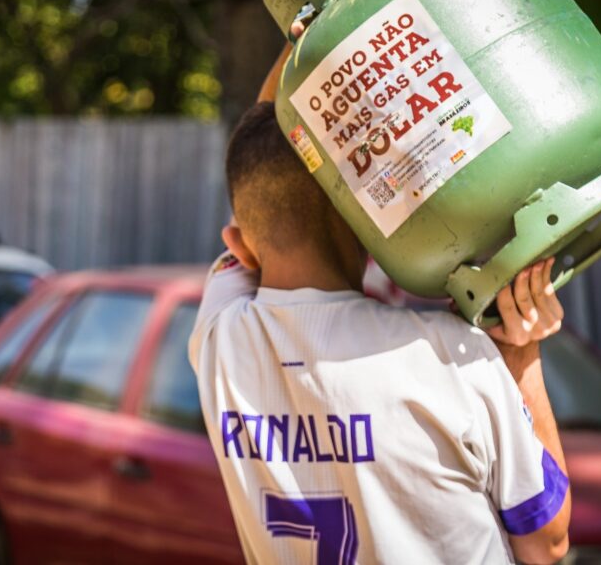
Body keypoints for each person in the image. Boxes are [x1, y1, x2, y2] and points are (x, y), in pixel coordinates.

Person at [188, 42, 571, 564]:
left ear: (238, 245)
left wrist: (311, 29)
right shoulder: (453, 356)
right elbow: (547, 542)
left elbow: (258, 167)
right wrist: (522, 358)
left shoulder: (218, 339)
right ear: (370, 227)